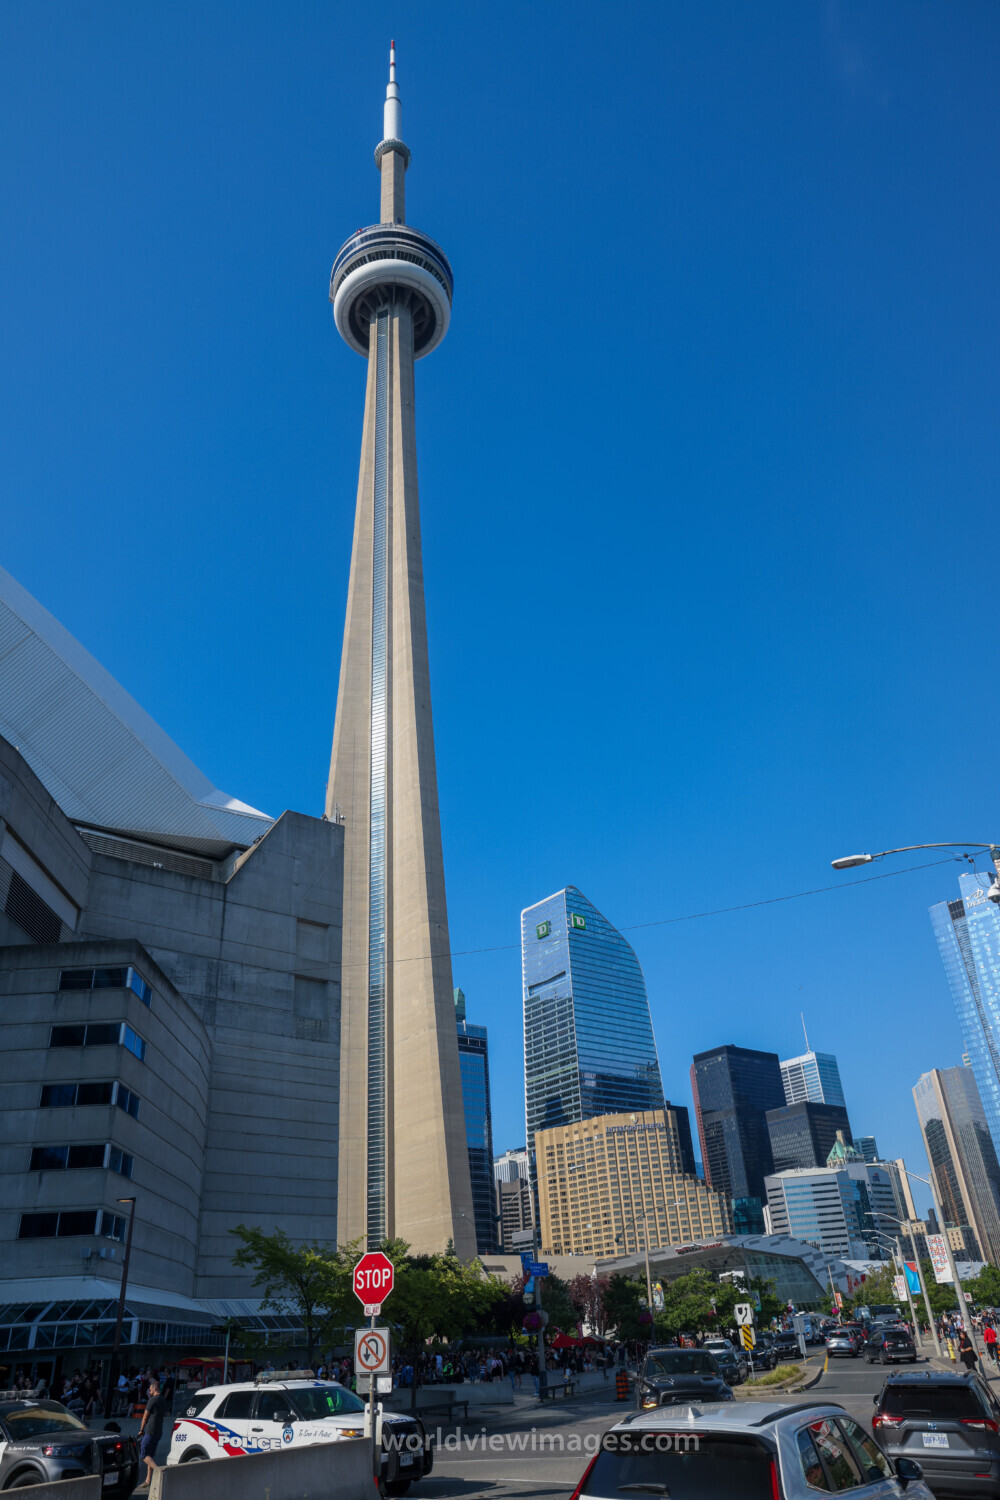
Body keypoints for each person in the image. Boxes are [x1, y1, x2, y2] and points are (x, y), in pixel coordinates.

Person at [138, 1376, 165, 1486]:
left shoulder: (152, 1400)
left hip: (150, 1430)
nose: (149, 1391)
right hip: (158, 1431)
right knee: (150, 1455)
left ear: (154, 1388)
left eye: (150, 1389)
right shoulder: (162, 1399)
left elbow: (145, 1417)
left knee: (143, 1454)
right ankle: (148, 1480)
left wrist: (141, 1429)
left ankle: (160, 1472)